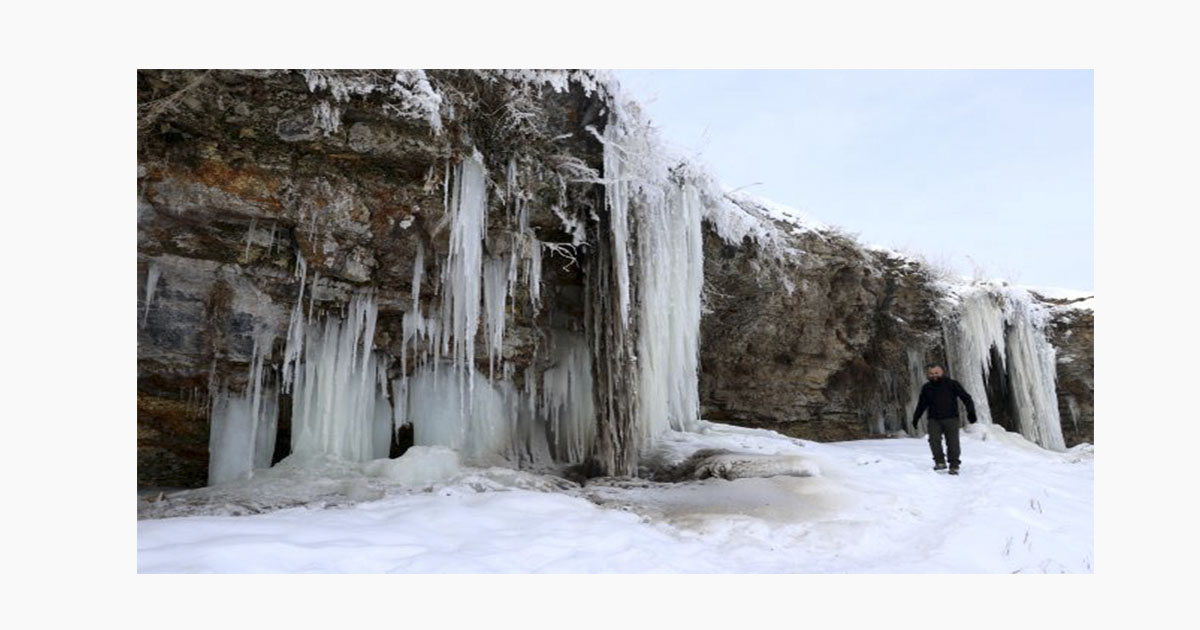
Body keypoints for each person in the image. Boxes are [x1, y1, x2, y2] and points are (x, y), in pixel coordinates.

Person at [912, 363, 977, 475]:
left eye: (936, 373)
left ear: (942, 372)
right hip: (934, 419)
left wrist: (971, 412)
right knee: (933, 440)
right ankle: (940, 462)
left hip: (951, 418)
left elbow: (966, 398)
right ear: (928, 375)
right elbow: (922, 404)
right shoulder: (927, 388)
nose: (934, 375)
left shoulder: (952, 384)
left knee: (953, 443)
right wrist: (916, 417)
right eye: (931, 374)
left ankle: (954, 464)